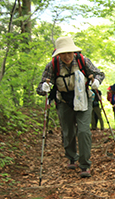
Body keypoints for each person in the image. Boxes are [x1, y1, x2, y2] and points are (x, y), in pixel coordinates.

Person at [36, 36, 105, 178]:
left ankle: (85, 164)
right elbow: (40, 89)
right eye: (63, 53)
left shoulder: (82, 61)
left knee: (84, 131)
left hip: (84, 100)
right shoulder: (52, 65)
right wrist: (45, 87)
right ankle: (72, 157)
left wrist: (97, 81)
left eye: (69, 53)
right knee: (68, 132)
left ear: (74, 52)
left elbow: (99, 73)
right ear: (58, 54)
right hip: (64, 102)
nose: (67, 56)